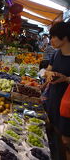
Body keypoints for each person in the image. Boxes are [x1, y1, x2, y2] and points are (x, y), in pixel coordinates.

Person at [43, 22, 70, 160]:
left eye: (54, 37)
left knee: (66, 141)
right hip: (54, 99)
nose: (51, 40)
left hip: (67, 105)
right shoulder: (55, 54)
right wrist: (48, 74)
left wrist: (65, 79)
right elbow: (48, 70)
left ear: (64, 37)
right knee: (54, 131)